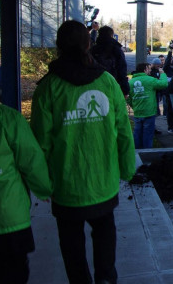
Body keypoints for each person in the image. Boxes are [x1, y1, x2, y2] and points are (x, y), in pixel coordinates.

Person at [30, 20, 136, 284]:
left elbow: (40, 142)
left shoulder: (47, 88)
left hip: (66, 189)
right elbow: (123, 130)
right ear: (88, 44)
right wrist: (127, 168)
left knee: (71, 248)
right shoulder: (108, 83)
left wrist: (43, 185)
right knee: (105, 238)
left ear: (58, 47)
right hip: (103, 182)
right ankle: (106, 279)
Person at [0, 76, 53, 284]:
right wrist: (44, 189)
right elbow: (31, 160)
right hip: (8, 217)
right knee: (13, 271)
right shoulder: (7, 119)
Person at [128, 62, 169, 148]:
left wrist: (134, 106)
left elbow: (128, 98)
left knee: (137, 133)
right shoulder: (150, 80)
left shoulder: (131, 82)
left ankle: (137, 152)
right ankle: (147, 153)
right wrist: (163, 74)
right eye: (149, 68)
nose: (150, 70)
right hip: (149, 112)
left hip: (137, 112)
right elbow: (163, 84)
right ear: (145, 69)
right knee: (148, 134)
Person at [90, 26, 130, 97]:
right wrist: (125, 90)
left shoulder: (93, 49)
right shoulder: (116, 49)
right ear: (111, 35)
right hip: (112, 83)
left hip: (95, 84)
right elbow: (122, 69)